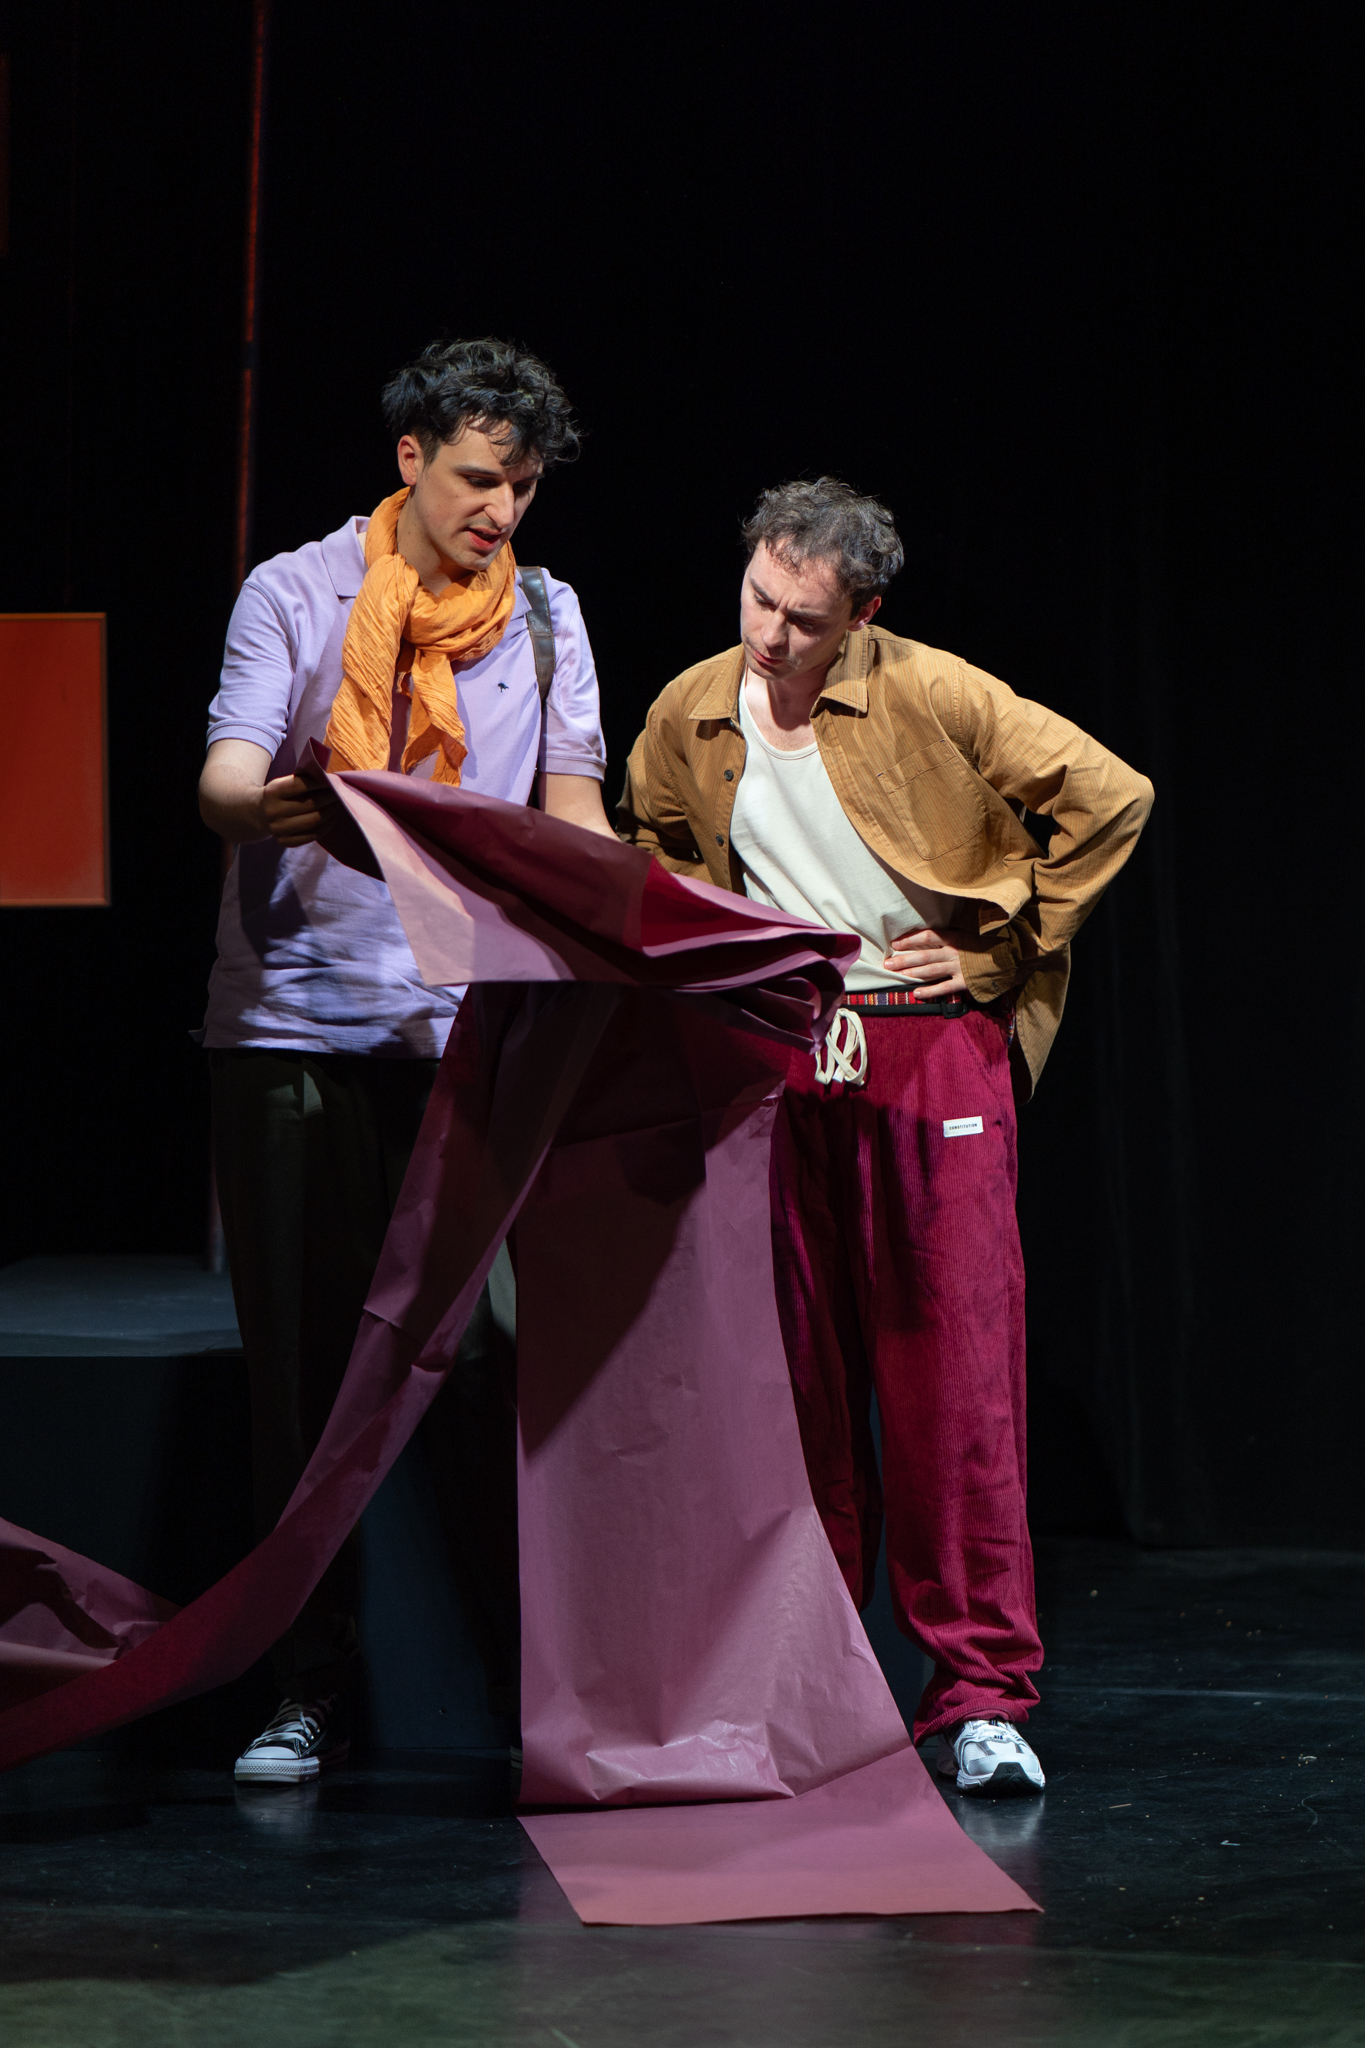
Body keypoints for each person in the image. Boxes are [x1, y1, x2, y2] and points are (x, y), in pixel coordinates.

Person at [617, 477, 1153, 1796]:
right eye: (758, 599)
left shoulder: (932, 690)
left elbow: (1112, 796)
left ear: (859, 614)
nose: (769, 636)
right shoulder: (690, 710)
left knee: (951, 1379)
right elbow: (652, 849)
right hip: (780, 1057)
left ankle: (979, 1695)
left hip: (927, 1050)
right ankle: (814, 1681)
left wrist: (1002, 947)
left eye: (802, 619)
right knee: (795, 1383)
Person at [198, 337, 615, 1784]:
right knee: (302, 1376)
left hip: (471, 1033)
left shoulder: (548, 617)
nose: (502, 510)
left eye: (525, 487)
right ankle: (303, 1686)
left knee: (495, 1362)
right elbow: (225, 778)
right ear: (410, 460)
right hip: (296, 1027)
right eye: (480, 479)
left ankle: (533, 1691)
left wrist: (641, 913)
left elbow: (573, 812)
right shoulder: (298, 590)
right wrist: (282, 806)